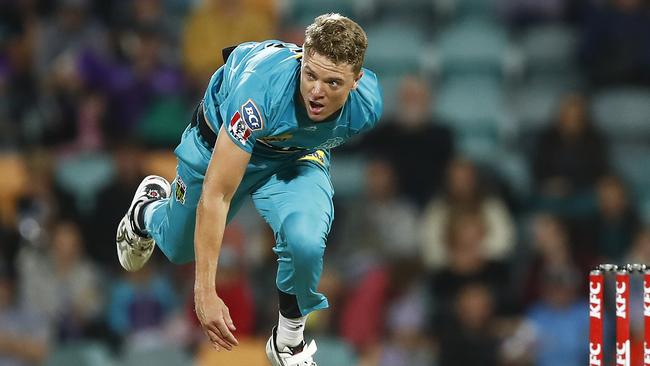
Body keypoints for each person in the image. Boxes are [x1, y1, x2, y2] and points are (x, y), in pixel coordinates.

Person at [115, 13, 382, 366]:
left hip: (296, 155)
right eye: (310, 75)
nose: (317, 92)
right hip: (218, 146)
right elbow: (217, 194)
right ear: (302, 58)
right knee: (179, 249)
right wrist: (205, 291)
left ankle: (289, 341)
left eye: (332, 83)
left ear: (356, 81)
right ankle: (147, 212)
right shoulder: (258, 95)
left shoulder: (366, 107)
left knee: (305, 239)